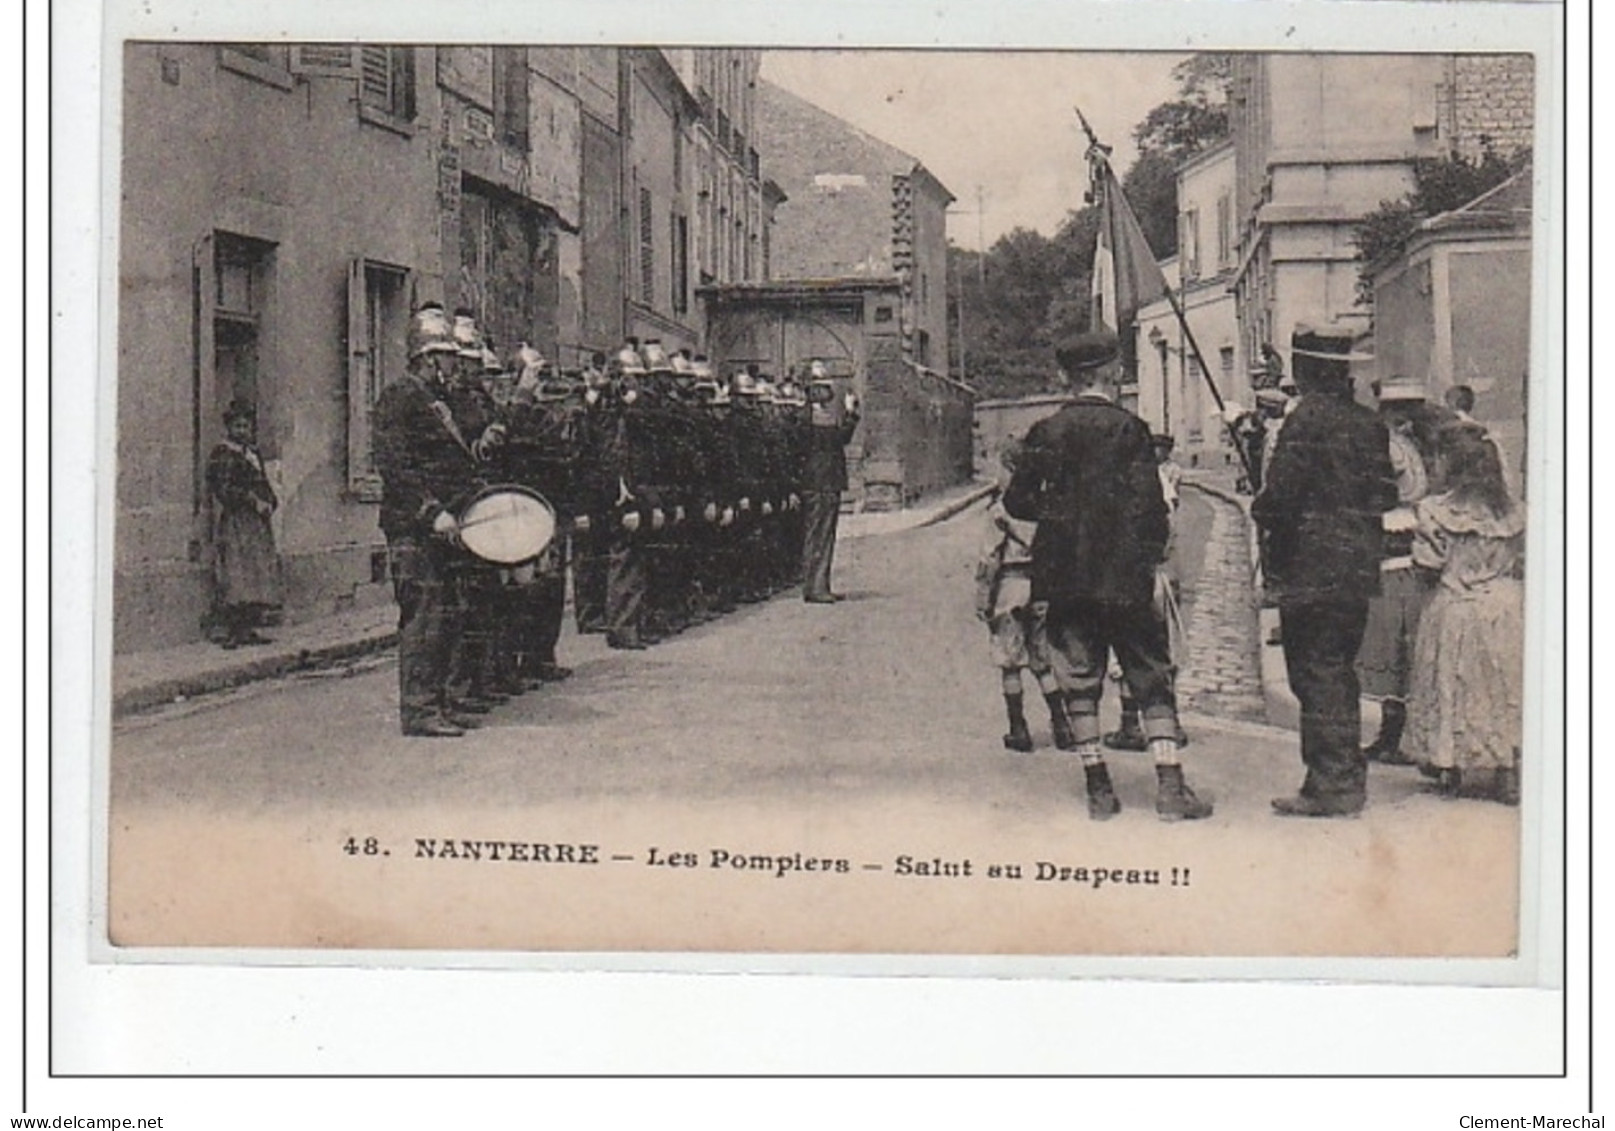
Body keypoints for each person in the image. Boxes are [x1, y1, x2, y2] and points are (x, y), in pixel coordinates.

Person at [1003, 331, 1212, 822]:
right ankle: (1170, 790)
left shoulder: (1046, 432)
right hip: (1124, 578)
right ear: (1110, 375)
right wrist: (1150, 557)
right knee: (1150, 675)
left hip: (1065, 579)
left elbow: (1017, 503)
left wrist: (1058, 517)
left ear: (1065, 379)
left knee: (1078, 679)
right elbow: (1150, 508)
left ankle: (1098, 789)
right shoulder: (1130, 430)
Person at [1251, 324, 1399, 816]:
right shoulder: (1369, 424)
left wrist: (1262, 506)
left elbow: (1282, 499)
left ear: (1304, 369)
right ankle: (1339, 778)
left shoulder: (1305, 421)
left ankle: (1331, 785)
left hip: (1309, 569)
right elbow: (1386, 495)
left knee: (1315, 674)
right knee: (1338, 671)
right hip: (1355, 568)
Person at [373, 302, 487, 737]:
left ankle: (438, 702)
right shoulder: (400, 397)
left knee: (446, 617)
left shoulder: (438, 401)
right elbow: (395, 466)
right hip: (414, 530)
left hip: (444, 528)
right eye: (446, 357)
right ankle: (419, 709)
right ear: (426, 359)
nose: (453, 365)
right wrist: (430, 510)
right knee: (424, 618)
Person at [1404, 425, 1525, 804]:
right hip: (1505, 608)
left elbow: (1429, 563)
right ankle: (1508, 768)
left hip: (1455, 604)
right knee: (1503, 687)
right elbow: (1525, 561)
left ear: (1448, 465)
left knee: (1452, 682)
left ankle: (1450, 763)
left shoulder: (1436, 511)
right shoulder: (1516, 513)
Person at [975, 439, 1075, 753]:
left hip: (1010, 586)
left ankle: (1019, 730)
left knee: (1010, 662)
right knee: (1042, 661)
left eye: (1002, 469)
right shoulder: (1044, 506)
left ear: (1012, 471)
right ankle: (1062, 726)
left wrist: (982, 598)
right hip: (1041, 586)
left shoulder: (1001, 509)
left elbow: (990, 559)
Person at [1358, 377, 1438, 765]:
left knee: (1397, 642)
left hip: (1398, 545)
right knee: (1401, 645)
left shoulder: (1391, 446)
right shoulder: (1412, 445)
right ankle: (1395, 731)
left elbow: (1384, 492)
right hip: (1409, 543)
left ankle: (1397, 734)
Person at [1104, 433, 1188, 751]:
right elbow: (1169, 530)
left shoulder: (1119, 485)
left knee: (1130, 649)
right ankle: (1167, 722)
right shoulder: (1157, 484)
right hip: (1162, 574)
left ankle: (1132, 725)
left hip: (1138, 578)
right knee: (1162, 646)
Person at [205, 399, 283, 648]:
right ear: (229, 427)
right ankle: (230, 630)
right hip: (238, 520)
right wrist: (251, 500)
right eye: (237, 426)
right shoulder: (223, 454)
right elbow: (224, 489)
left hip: (257, 522)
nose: (242, 431)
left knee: (256, 573)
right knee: (237, 574)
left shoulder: (253, 453)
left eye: (246, 426)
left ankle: (249, 628)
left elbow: (264, 483)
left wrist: (270, 501)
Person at [801, 360, 860, 604]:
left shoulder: (824, 415)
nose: (826, 392)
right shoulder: (805, 416)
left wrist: (851, 414)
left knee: (826, 536)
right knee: (818, 535)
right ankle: (814, 587)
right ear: (811, 390)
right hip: (817, 483)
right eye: (821, 387)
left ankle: (821, 584)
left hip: (829, 482)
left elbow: (841, 438)